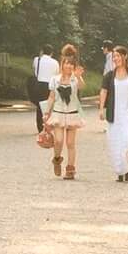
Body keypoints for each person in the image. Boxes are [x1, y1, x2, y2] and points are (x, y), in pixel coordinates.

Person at [98, 45, 128, 182]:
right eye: (114, 57)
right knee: (115, 142)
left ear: (124, 57)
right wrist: (101, 109)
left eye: (118, 56)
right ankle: (121, 171)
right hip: (114, 114)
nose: (116, 58)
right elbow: (104, 91)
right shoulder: (109, 76)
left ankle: (127, 168)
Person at [47, 42, 86, 178]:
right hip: (58, 113)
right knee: (58, 140)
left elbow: (81, 87)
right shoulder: (55, 79)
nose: (68, 66)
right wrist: (47, 112)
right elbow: (51, 97)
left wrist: (78, 76)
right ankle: (57, 159)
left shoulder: (75, 79)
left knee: (70, 143)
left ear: (74, 66)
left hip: (72, 113)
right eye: (66, 63)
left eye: (71, 64)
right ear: (62, 64)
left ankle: (70, 169)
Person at [31, 45, 60, 137]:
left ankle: (40, 127)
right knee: (51, 106)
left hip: (39, 84)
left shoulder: (37, 60)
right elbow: (57, 74)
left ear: (42, 51)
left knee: (40, 107)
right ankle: (51, 126)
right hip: (50, 84)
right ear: (52, 53)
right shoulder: (55, 62)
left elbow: (35, 72)